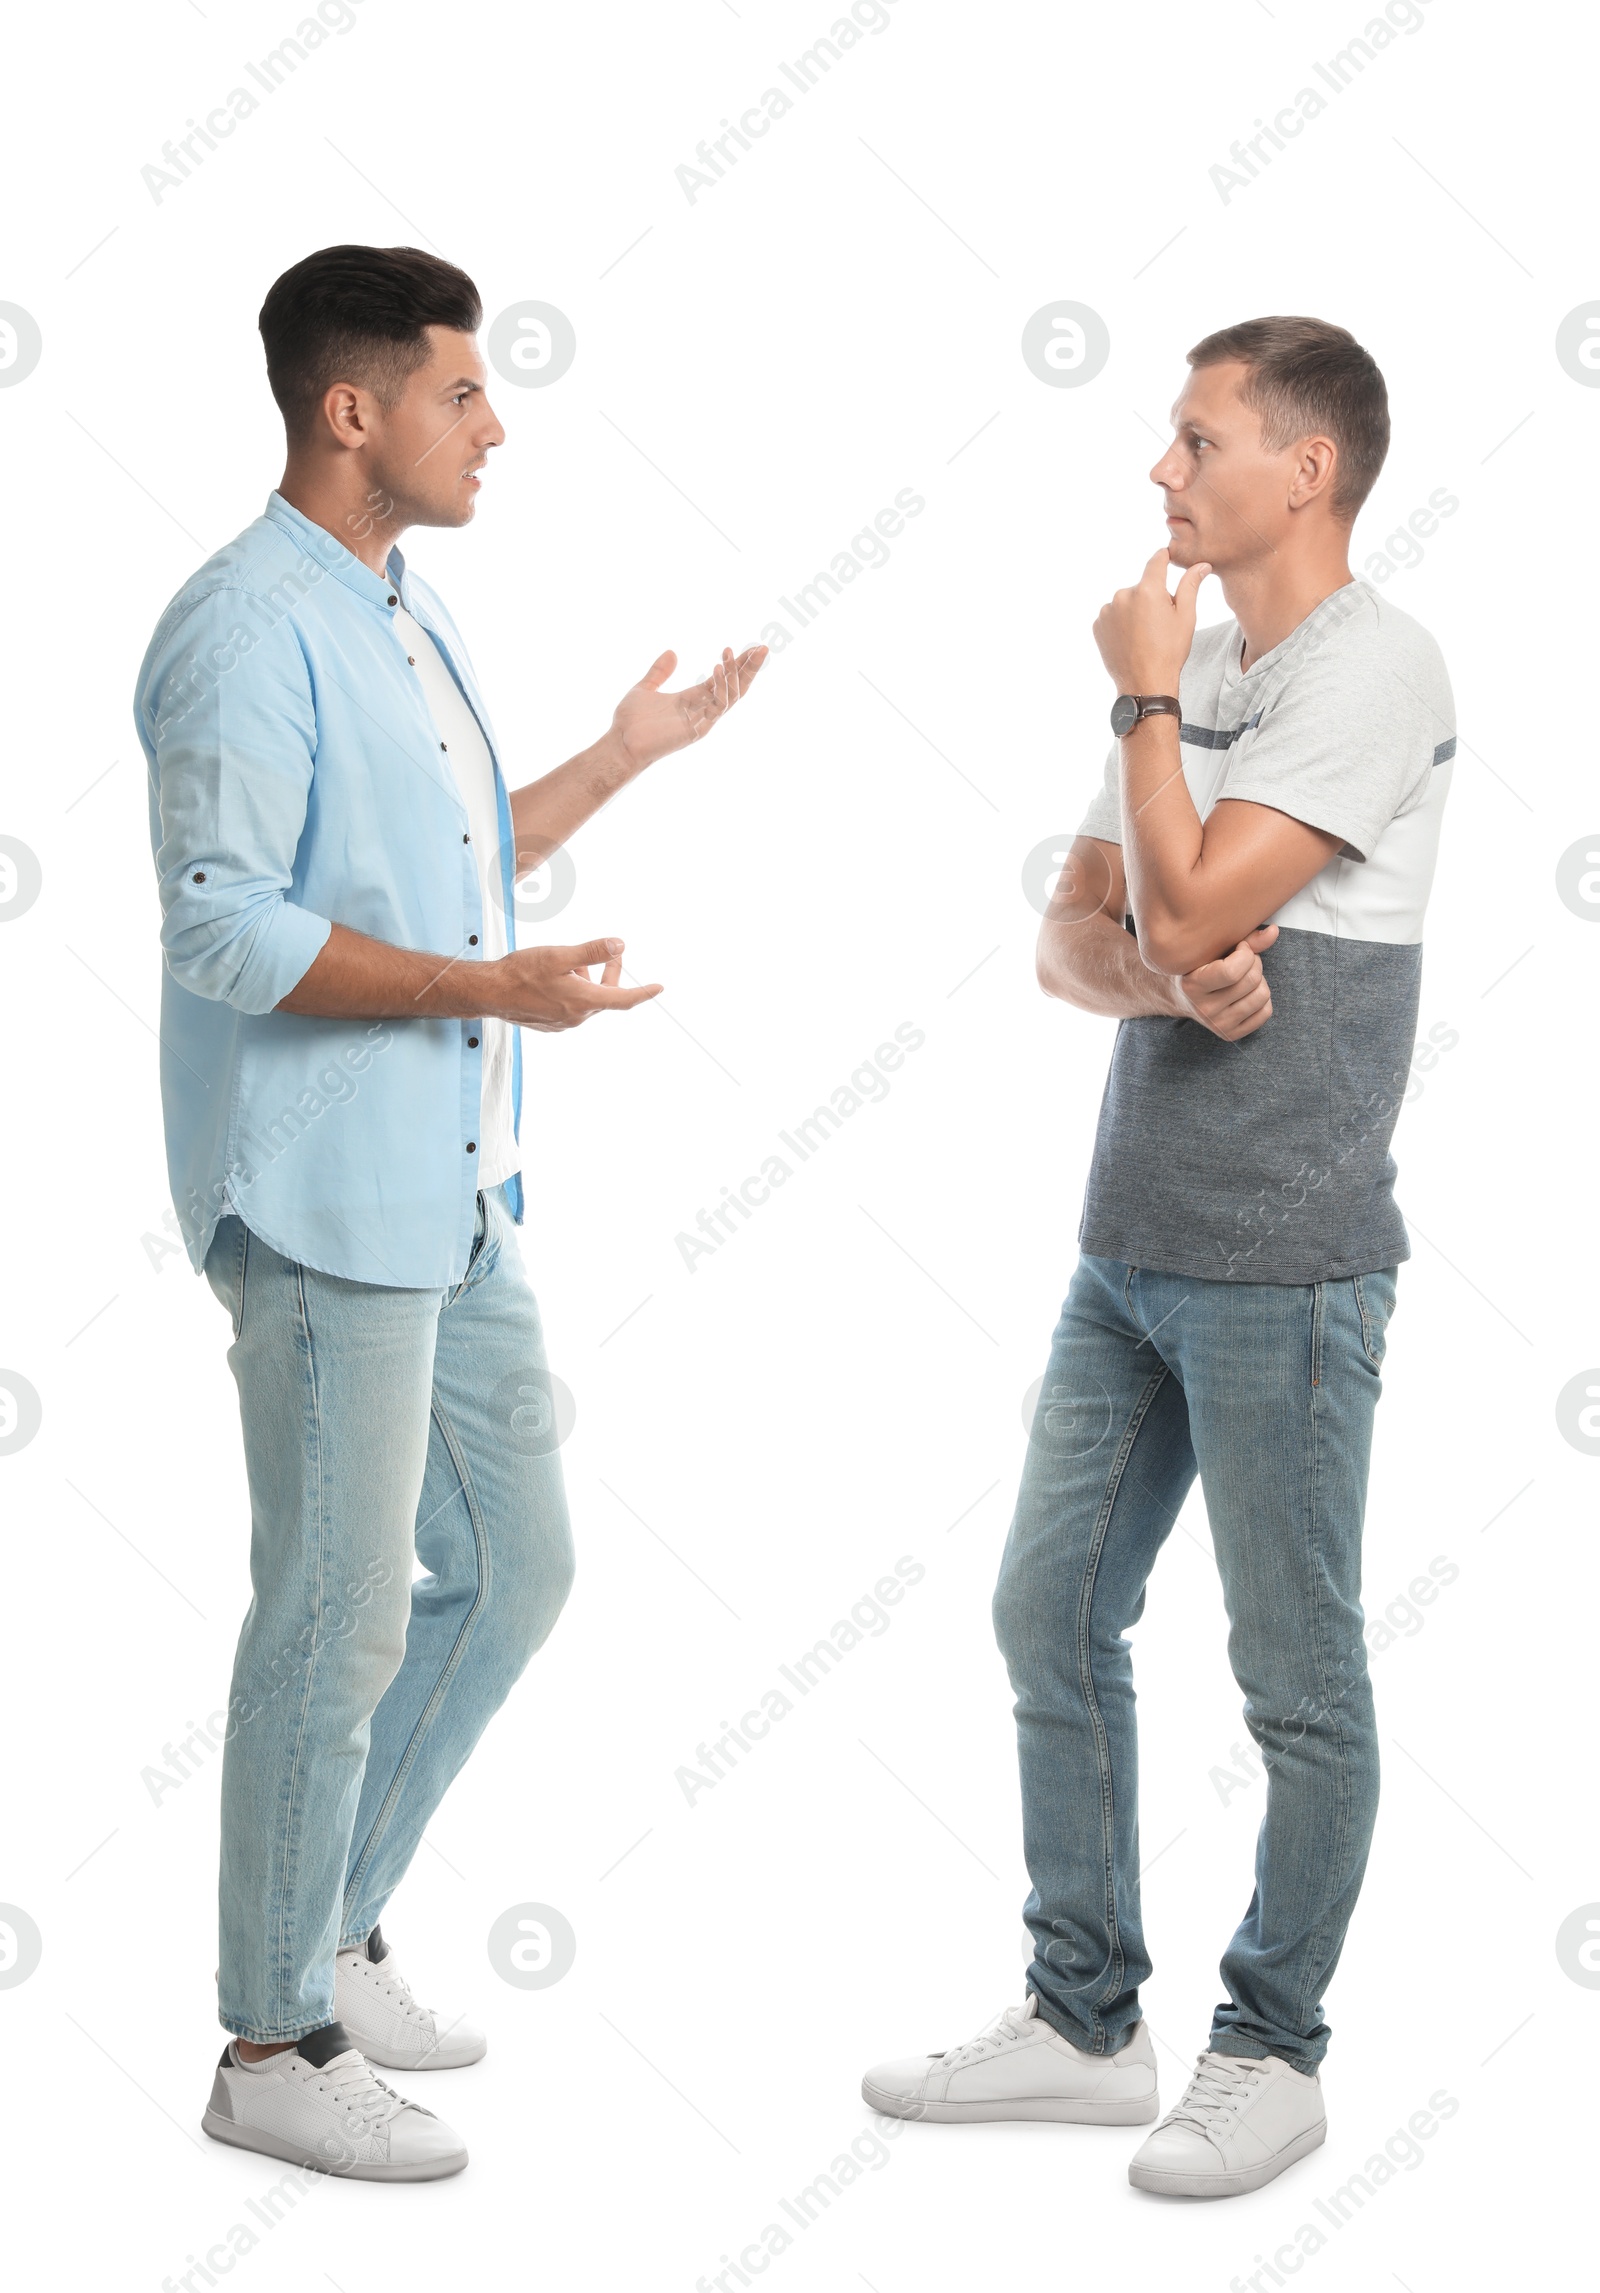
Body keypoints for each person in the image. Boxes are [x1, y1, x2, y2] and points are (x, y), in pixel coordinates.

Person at [134, 243, 766, 2182]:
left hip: (452, 1185)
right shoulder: (246, 626)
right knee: (327, 1623)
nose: (491, 423)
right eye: (460, 393)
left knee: (515, 1566)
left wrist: (617, 759)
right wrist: (482, 994)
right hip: (324, 1201)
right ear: (354, 411)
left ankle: (326, 1923)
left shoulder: (407, 608)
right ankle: (268, 2038)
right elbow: (224, 925)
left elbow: (461, 862)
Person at [862, 316, 1454, 2199]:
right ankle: (1084, 2018)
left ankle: (1272, 2047)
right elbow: (1075, 935)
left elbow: (1186, 885)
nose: (1162, 473)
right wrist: (1166, 977)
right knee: (1050, 1612)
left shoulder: (1373, 670)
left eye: (1196, 442)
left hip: (1285, 1266)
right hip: (1128, 1244)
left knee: (1296, 1678)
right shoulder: (1196, 660)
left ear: (1309, 472)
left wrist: (1138, 727)